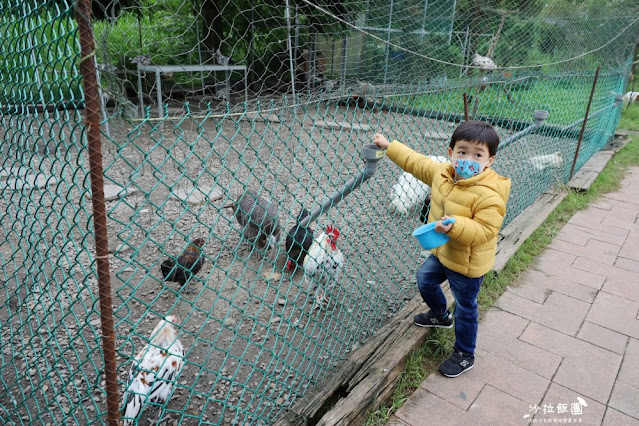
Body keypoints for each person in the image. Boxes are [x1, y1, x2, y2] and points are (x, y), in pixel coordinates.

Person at [373, 120, 511, 377]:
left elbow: (484, 232)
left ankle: (464, 353)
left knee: (466, 307)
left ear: (490, 160)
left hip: (468, 264)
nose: (468, 159)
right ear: (450, 153)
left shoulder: (489, 195)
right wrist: (389, 146)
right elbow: (415, 162)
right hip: (443, 251)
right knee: (424, 279)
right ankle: (440, 315)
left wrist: (454, 226)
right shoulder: (443, 173)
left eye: (477, 155)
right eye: (462, 152)